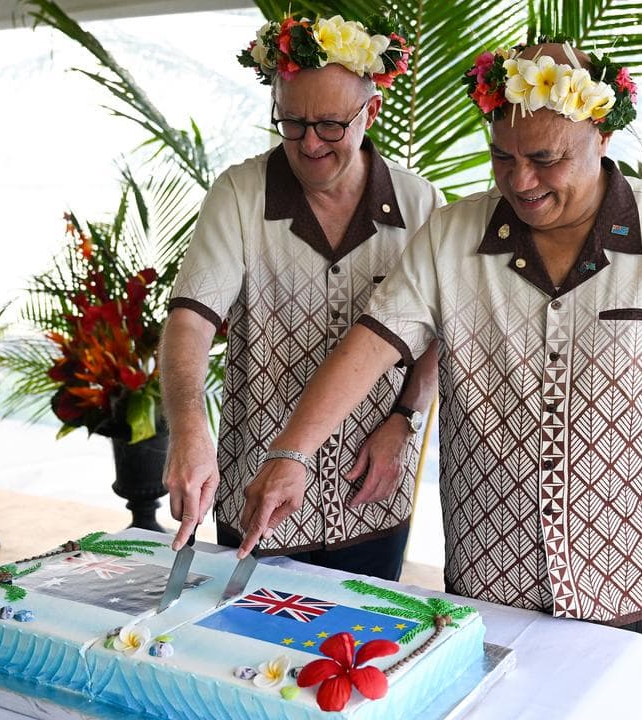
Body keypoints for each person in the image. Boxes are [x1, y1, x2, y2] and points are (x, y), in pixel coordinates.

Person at [236, 42, 642, 718]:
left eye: (547, 159)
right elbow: (372, 343)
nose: (521, 181)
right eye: (504, 157)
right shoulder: (451, 234)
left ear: (601, 135)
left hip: (638, 588)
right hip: (493, 587)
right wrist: (292, 452)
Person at [160, 14, 441, 582]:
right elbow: (190, 320)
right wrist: (188, 428)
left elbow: (439, 333)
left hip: (372, 497)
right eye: (293, 123)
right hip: (257, 497)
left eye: (332, 125)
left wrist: (405, 421)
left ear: (371, 112)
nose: (310, 143)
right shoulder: (240, 194)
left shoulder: (420, 203)